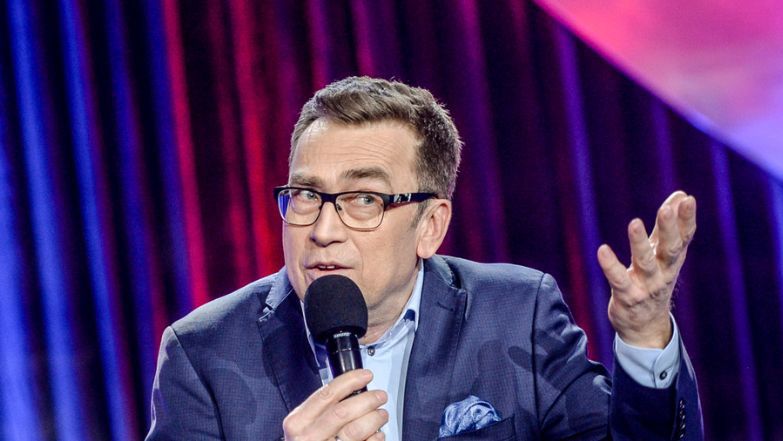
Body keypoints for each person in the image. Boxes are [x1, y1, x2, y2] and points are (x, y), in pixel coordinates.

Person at [146, 76, 701, 440]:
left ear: (430, 227)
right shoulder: (203, 354)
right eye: (307, 195)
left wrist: (644, 337)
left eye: (364, 199)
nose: (322, 230)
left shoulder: (516, 313)